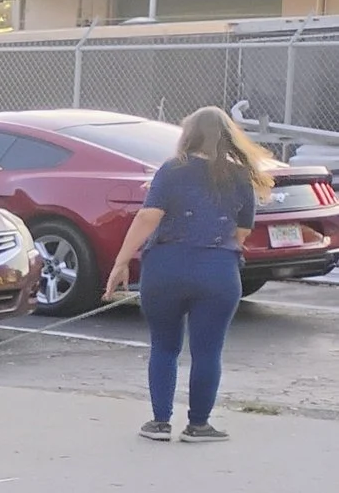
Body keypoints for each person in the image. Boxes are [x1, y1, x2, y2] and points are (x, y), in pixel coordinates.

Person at [105, 106, 269, 441]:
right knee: (208, 351)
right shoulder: (240, 176)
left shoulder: (172, 169)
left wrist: (121, 262)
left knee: (164, 346)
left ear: (188, 135)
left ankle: (159, 423)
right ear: (229, 137)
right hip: (218, 271)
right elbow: (241, 232)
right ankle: (199, 425)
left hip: (165, 267)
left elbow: (148, 217)